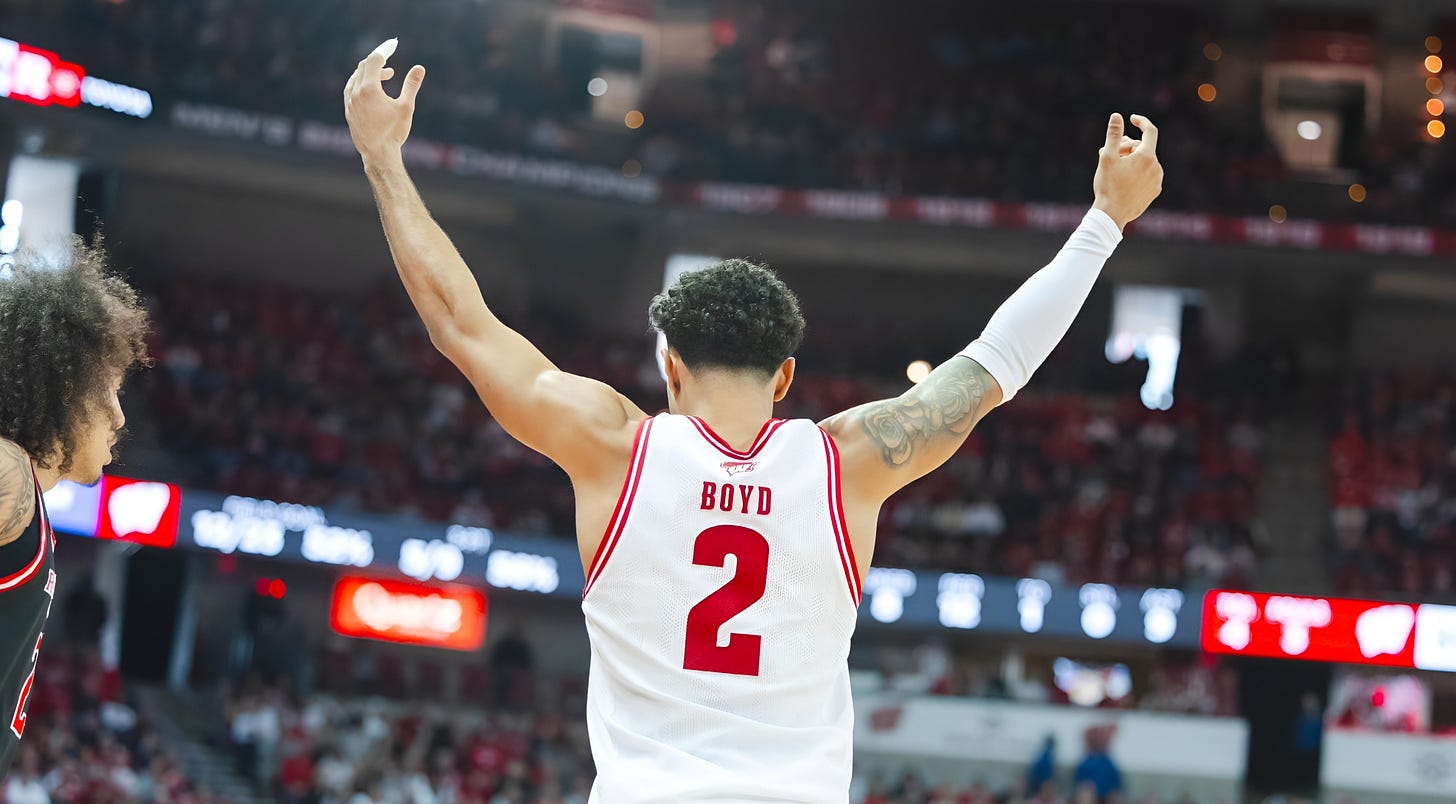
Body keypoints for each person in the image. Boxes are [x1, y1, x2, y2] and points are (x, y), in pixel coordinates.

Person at [344, 38, 1162, 803]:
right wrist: (1102, 224)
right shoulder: (848, 462)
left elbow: (461, 323)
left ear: (669, 365)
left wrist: (383, 158)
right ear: (786, 378)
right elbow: (993, 365)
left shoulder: (614, 443)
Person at [0, 239, 148, 774]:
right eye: (112, 390)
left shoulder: (29, 506)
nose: (120, 417)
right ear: (67, 386)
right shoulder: (12, 473)